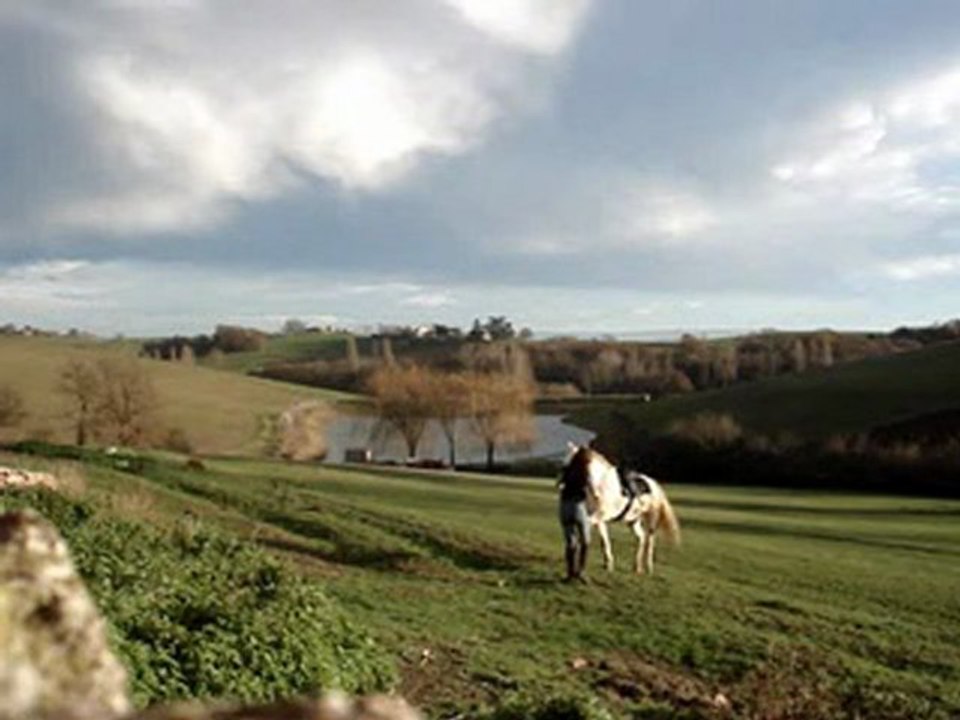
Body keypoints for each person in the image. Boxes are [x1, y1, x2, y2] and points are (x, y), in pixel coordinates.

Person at [557, 448, 591, 583]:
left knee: (570, 542)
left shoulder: (567, 469)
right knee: (585, 540)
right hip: (578, 506)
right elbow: (589, 489)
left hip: (564, 507)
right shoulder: (585, 472)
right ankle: (581, 571)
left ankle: (570, 573)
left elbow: (558, 484)